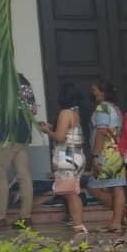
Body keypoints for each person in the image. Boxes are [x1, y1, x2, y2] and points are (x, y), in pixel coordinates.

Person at [37, 84, 87, 235]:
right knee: (72, 193)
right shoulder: (75, 113)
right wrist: (52, 127)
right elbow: (67, 132)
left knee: (70, 194)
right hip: (76, 156)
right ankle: (78, 225)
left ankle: (78, 226)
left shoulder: (65, 113)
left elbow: (59, 137)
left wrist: (47, 131)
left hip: (67, 157)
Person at [0, 73, 35, 229]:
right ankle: (25, 216)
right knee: (23, 175)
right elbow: (33, 109)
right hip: (24, 134)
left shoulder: (3, 80)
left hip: (7, 135)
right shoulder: (24, 81)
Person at [86, 79, 127, 232]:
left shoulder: (102, 108)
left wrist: (95, 156)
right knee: (118, 186)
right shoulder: (115, 108)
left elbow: (101, 132)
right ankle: (117, 220)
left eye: (94, 90)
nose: (92, 93)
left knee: (93, 188)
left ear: (102, 92)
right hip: (117, 152)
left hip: (105, 153)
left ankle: (119, 214)